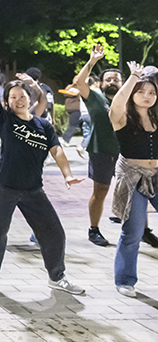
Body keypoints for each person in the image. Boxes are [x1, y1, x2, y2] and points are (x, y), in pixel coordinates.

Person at [0, 48, 85, 295]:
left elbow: (56, 150)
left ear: (30, 99)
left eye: (21, 96)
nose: (17, 100)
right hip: (4, 186)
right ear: (7, 101)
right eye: (12, 97)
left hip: (33, 188)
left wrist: (67, 174)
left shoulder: (43, 125)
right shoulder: (3, 119)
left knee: (53, 231)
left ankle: (57, 277)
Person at [110, 61, 158, 297]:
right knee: (133, 232)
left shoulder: (156, 116)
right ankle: (125, 280)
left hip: (157, 176)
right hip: (132, 178)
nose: (147, 96)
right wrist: (133, 78)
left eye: (152, 92)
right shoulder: (123, 118)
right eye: (141, 91)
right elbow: (116, 104)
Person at [73, 45, 123, 247]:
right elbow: (78, 82)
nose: (112, 82)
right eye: (108, 79)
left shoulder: (128, 98)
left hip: (126, 151)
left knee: (133, 191)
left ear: (122, 83)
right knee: (101, 190)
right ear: (102, 83)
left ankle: (140, 229)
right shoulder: (95, 97)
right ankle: (94, 229)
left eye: (116, 79)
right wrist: (92, 61)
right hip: (100, 149)